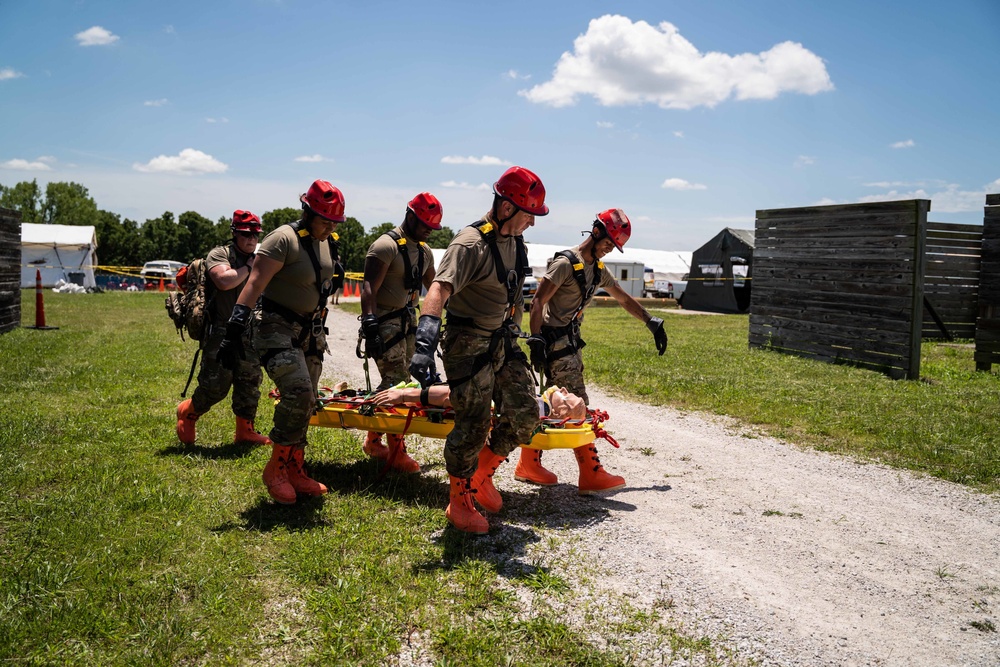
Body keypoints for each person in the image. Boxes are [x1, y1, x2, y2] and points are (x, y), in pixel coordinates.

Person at [409, 165, 547, 534]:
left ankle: (482, 474)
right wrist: (424, 341)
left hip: (502, 340)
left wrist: (521, 333)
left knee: (526, 414)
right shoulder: (469, 244)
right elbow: (438, 289)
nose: (531, 224)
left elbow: (515, 293)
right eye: (528, 215)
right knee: (471, 424)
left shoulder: (515, 241)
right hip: (468, 344)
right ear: (506, 208)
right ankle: (459, 501)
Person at [521, 208, 668, 494]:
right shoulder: (565, 263)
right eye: (608, 242)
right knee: (579, 406)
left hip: (570, 345)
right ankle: (591, 474)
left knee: (549, 406)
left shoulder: (598, 270)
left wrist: (651, 321)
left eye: (614, 246)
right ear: (597, 231)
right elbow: (537, 302)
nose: (609, 249)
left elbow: (623, 299)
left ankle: (528, 464)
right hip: (556, 346)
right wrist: (536, 340)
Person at [218, 180, 344, 505]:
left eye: (334, 222)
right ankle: (276, 469)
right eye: (324, 219)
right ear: (307, 211)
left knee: (309, 400)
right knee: (299, 392)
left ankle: (295, 469)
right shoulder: (282, 239)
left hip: (310, 330)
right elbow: (255, 282)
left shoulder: (327, 242)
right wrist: (233, 328)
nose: (330, 226)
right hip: (274, 325)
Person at [359, 192, 440, 472]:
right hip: (384, 320)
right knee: (395, 382)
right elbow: (369, 286)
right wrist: (370, 323)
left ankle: (373, 440)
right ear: (410, 216)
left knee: (406, 382)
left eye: (433, 227)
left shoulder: (425, 251)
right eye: (425, 224)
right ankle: (397, 450)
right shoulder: (384, 246)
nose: (429, 230)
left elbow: (436, 287)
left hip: (408, 320)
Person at [175, 210, 269, 447]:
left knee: (250, 382)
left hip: (249, 330)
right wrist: (250, 267)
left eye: (255, 235)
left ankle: (245, 431)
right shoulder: (220, 254)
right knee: (215, 386)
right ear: (235, 233)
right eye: (246, 234)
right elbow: (224, 281)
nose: (252, 240)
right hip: (221, 331)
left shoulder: (260, 256)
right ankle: (188, 411)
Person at [372, 383, 586, 422]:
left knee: (463, 395)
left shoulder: (539, 408)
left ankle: (400, 394)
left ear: (560, 413)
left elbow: (453, 397)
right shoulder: (539, 404)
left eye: (566, 396)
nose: (563, 389)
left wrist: (404, 395)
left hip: (453, 396)